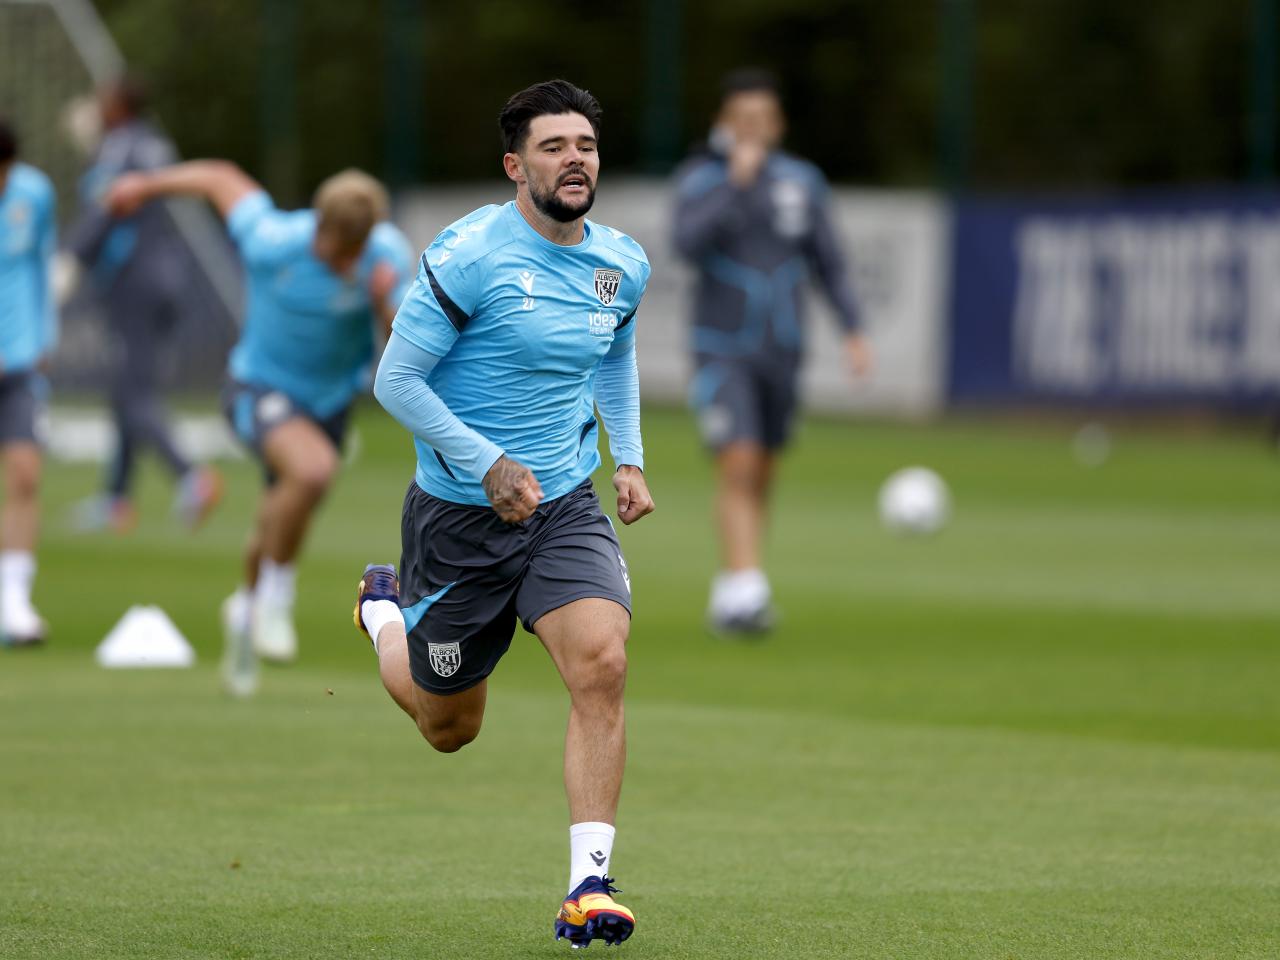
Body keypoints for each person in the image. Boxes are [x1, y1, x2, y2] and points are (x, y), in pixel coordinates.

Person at [351, 79, 654, 948]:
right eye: (554, 147)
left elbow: (615, 356)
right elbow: (394, 382)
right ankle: (383, 616)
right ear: (515, 165)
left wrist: (625, 456)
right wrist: (484, 465)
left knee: (602, 662)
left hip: (563, 505)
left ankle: (589, 885)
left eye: (586, 146)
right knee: (450, 726)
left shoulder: (623, 262)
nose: (575, 160)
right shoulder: (470, 254)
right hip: (458, 521)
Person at [104, 162, 414, 684]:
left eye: (354, 254)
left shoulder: (385, 256)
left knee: (281, 508)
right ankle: (275, 599)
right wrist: (144, 184)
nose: (346, 262)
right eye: (338, 251)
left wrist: (383, 302)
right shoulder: (273, 239)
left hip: (331, 402)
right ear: (319, 227)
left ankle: (245, 604)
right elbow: (220, 178)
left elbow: (399, 343)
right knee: (312, 472)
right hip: (259, 388)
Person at [672, 69, 871, 634]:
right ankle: (747, 588)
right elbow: (685, 243)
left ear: (778, 124)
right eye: (742, 120)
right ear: (723, 125)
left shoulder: (802, 182)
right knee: (736, 458)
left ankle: (732, 586)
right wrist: (735, 184)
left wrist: (853, 329)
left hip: (783, 348)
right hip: (721, 347)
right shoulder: (701, 181)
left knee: (763, 468)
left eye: (763, 119)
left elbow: (829, 262)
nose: (753, 129)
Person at [62, 75, 222, 533]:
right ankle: (116, 499)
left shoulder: (118, 147)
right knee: (127, 387)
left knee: (134, 393)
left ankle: (191, 477)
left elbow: (105, 207)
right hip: (165, 276)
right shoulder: (152, 144)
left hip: (132, 279)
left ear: (118, 105)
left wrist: (72, 256)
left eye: (103, 100)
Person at [0, 119, 57, 646]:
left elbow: (41, 264)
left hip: (17, 361)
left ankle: (14, 603)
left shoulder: (34, 193)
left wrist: (45, 336)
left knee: (24, 474)